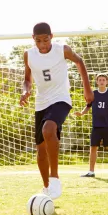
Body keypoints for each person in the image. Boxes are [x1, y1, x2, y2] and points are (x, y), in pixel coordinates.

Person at [20, 22, 93, 199]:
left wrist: (87, 89)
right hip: (41, 102)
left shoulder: (63, 49)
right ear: (33, 39)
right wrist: (25, 90)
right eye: (39, 41)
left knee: (49, 129)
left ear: (51, 36)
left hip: (61, 99)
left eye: (46, 40)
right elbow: (27, 79)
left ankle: (55, 178)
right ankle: (47, 189)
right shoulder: (28, 55)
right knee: (40, 150)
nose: (43, 45)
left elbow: (79, 61)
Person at [74, 73, 108, 177]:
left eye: (103, 80)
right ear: (97, 82)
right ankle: (91, 171)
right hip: (97, 125)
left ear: (106, 82)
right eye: (99, 80)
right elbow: (88, 106)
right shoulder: (93, 94)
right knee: (93, 147)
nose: (101, 81)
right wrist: (81, 113)